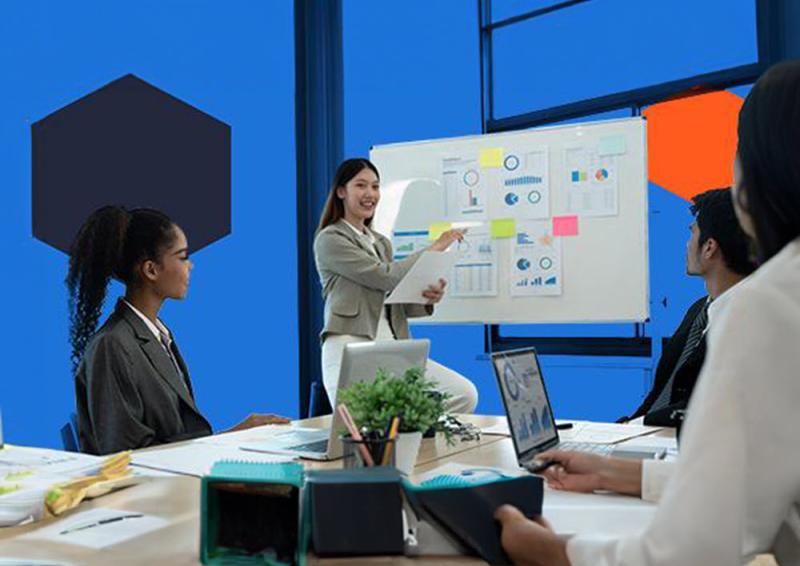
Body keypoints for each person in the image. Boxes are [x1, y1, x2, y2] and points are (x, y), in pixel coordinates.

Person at [495, 60, 800, 565]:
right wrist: (616, 473)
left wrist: (551, 552)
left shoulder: (769, 305)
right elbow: (757, 477)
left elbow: (692, 551)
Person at [68, 206, 289, 455]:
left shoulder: (157, 334)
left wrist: (237, 436)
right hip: (152, 490)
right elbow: (128, 456)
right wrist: (228, 440)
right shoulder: (112, 345)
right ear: (151, 269)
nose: (191, 266)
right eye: (182, 257)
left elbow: (179, 437)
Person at [314, 158, 479, 413]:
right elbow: (385, 276)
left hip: (393, 343)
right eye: (361, 185)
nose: (370, 194)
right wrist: (435, 247)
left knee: (463, 394)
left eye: (375, 186)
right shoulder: (330, 239)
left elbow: (392, 298)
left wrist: (425, 297)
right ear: (341, 192)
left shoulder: (380, 243)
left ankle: (415, 447)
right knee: (365, 430)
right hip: (351, 345)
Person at [619, 188, 756, 426]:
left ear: (709, 247)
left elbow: (705, 409)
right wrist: (623, 428)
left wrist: (637, 427)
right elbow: (661, 392)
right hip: (649, 436)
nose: (687, 244)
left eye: (692, 233)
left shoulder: (750, 320)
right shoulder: (699, 310)